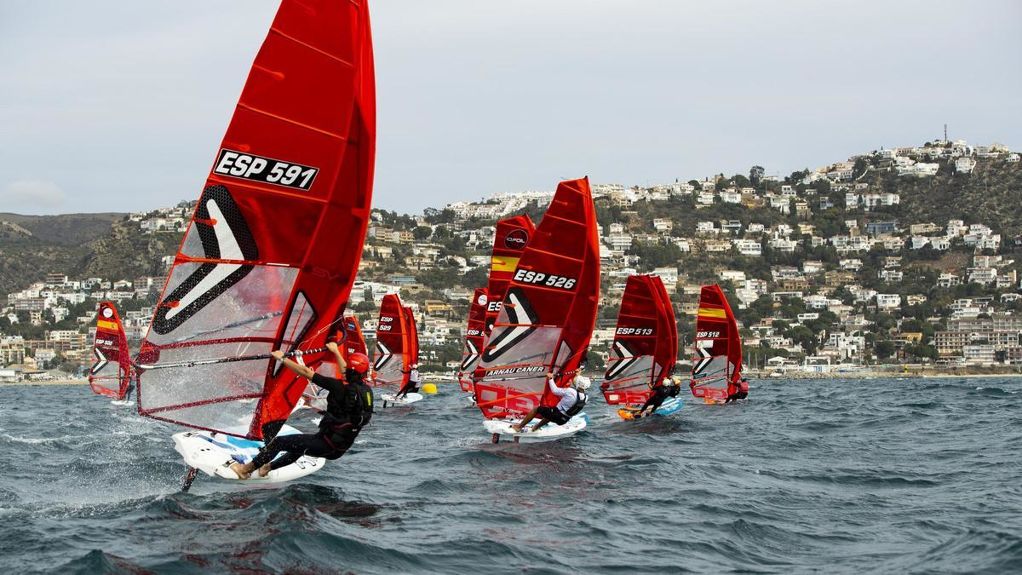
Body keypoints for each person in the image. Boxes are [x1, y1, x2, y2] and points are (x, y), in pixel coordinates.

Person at [229, 342, 374, 479]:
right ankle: (266, 468)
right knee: (299, 447)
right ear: (364, 372)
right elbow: (349, 372)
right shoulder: (366, 392)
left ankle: (245, 470)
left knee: (279, 442)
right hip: (339, 448)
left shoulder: (337, 387)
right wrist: (336, 351)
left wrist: (283, 358)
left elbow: (306, 372)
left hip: (325, 443)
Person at [511, 371, 589, 433]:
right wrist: (577, 374)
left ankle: (519, 427)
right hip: (564, 420)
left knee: (537, 409)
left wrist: (550, 378)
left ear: (578, 384)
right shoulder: (586, 397)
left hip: (557, 415)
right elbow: (577, 384)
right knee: (550, 412)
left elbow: (555, 391)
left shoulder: (571, 391)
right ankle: (536, 427)